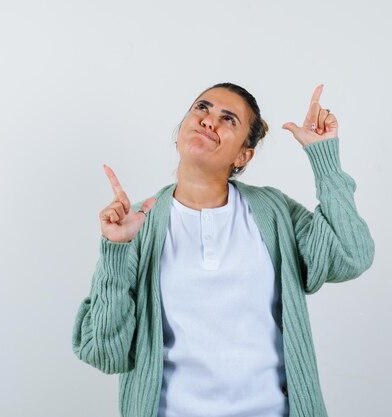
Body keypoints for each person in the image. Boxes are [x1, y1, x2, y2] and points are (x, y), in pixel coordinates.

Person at [72, 82, 375, 417]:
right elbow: (103, 352)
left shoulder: (273, 211)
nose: (208, 120)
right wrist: (116, 250)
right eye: (202, 108)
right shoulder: (137, 224)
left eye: (228, 119)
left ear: (243, 155)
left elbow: (350, 255)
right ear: (181, 130)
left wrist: (325, 161)